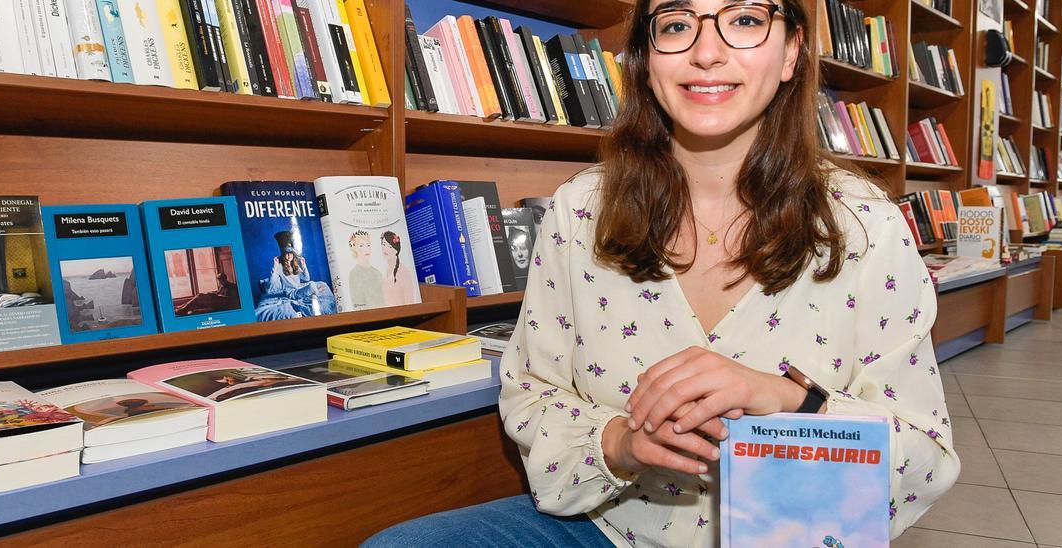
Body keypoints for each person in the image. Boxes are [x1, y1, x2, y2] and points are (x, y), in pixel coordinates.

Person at [364, 1, 959, 547]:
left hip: (786, 532)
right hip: (611, 527)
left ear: (792, 51)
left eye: (745, 20)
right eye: (676, 24)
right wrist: (620, 444)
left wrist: (784, 401)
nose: (707, 51)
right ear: (646, 58)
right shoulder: (580, 210)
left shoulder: (865, 226)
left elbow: (924, 460)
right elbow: (533, 392)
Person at [255, 231, 338, 320]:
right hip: (291, 293)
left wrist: (303, 265)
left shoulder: (295, 265)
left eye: (290, 253)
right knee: (312, 286)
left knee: (318, 283)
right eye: (286, 253)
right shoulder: (279, 266)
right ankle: (316, 291)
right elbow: (271, 286)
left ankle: (313, 291)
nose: (289, 255)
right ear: (283, 255)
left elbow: (306, 279)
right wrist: (274, 268)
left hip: (298, 288)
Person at [379, 231, 419, 306]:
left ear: (396, 250)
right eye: (383, 244)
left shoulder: (403, 271)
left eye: (390, 246)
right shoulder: (388, 270)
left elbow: (410, 302)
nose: (385, 249)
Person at [347, 230, 385, 310]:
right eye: (361, 245)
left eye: (368, 245)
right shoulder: (354, 274)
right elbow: (357, 304)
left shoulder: (377, 273)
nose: (366, 249)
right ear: (355, 248)